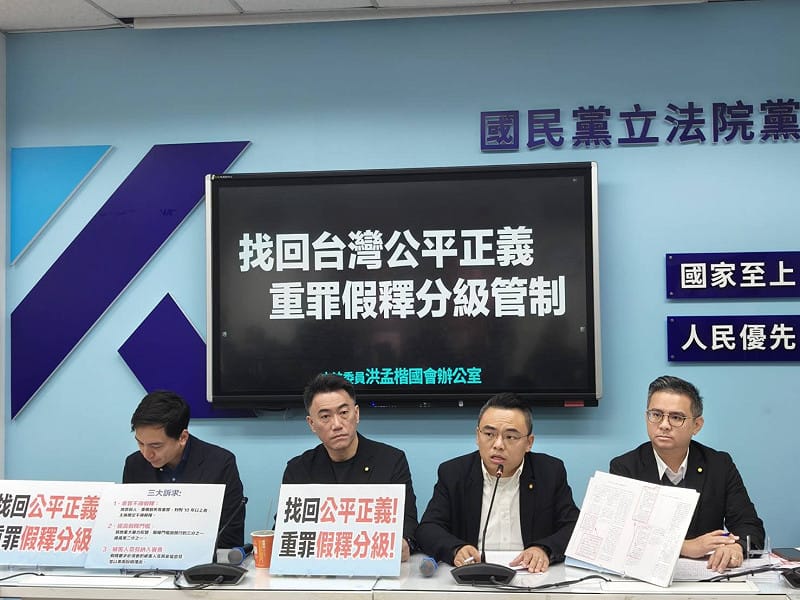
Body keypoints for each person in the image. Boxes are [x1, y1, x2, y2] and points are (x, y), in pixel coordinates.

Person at [609, 375, 765, 573]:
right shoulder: (625, 467)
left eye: (676, 417)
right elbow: (618, 536)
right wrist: (684, 547)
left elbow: (749, 525)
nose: (664, 425)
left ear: (697, 425)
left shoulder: (719, 465)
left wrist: (736, 547)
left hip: (708, 573)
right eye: (656, 414)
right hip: (643, 574)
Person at [415, 392, 579, 573]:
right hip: (473, 574)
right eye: (489, 434)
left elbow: (574, 527)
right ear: (477, 436)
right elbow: (428, 529)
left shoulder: (549, 472)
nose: (498, 444)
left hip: (531, 574)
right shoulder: (454, 473)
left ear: (529, 443)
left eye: (510, 437)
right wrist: (456, 549)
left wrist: (544, 549)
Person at [281, 373, 419, 562]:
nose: (337, 425)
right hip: (317, 568)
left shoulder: (391, 460)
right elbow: (286, 529)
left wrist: (405, 542)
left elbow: (407, 522)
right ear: (312, 424)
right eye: (325, 417)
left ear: (357, 414)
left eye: (344, 413)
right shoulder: (299, 469)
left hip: (374, 565)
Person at [122, 390, 245, 548]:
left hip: (203, 560)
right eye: (140, 443)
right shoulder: (135, 464)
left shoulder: (220, 464)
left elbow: (231, 536)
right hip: (149, 558)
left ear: (182, 437)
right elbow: (130, 526)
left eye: (156, 446)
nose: (147, 454)